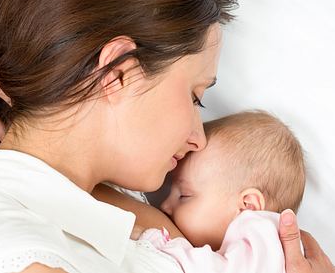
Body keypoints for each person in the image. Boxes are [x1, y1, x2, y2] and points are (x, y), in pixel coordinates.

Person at [0, 0, 335, 272]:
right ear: (117, 72)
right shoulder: (7, 248)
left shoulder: (119, 215)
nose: (197, 138)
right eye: (195, 96)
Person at [96, 111, 305, 273]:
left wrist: (157, 241)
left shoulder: (262, 240)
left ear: (247, 206)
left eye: (184, 196)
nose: (165, 206)